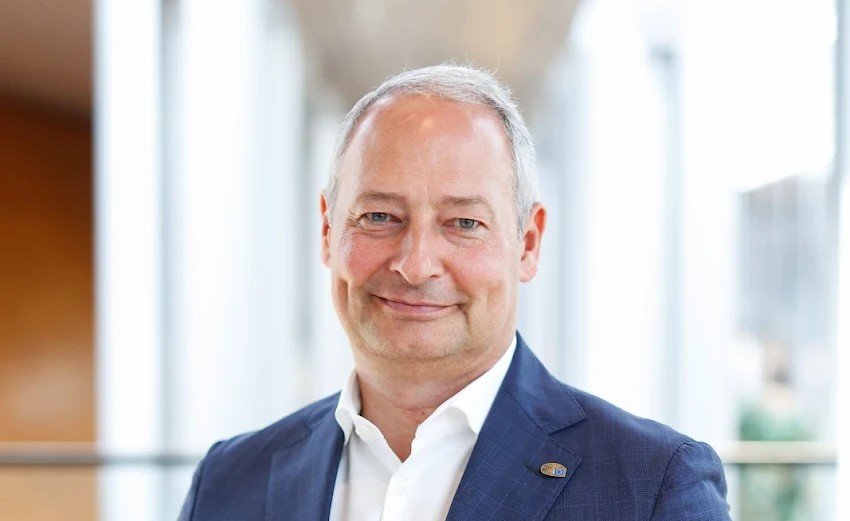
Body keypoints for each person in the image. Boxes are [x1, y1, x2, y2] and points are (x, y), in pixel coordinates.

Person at [178, 64, 731, 520]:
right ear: (327, 230)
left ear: (528, 243)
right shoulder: (229, 483)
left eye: (464, 224)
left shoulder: (652, 486)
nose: (416, 265)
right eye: (379, 216)